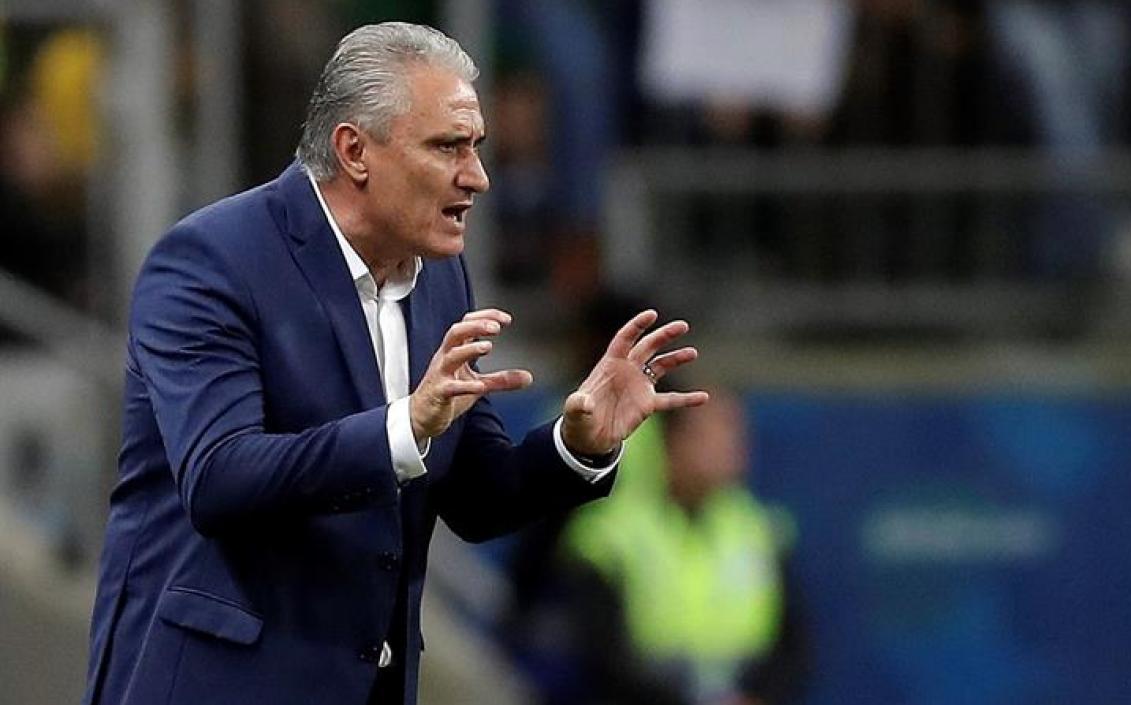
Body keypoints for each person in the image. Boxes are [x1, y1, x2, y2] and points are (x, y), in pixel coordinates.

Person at [81, 22, 707, 705]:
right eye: (449, 147)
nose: (479, 176)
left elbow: (474, 491)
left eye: (478, 147)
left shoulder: (439, 275)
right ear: (354, 150)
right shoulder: (211, 263)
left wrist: (575, 444)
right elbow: (219, 477)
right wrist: (403, 426)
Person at [560, 385, 808, 705]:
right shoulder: (609, 536)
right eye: (714, 434)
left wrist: (758, 696)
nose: (732, 447)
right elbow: (598, 655)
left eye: (736, 433)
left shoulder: (760, 530)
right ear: (673, 442)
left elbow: (794, 644)